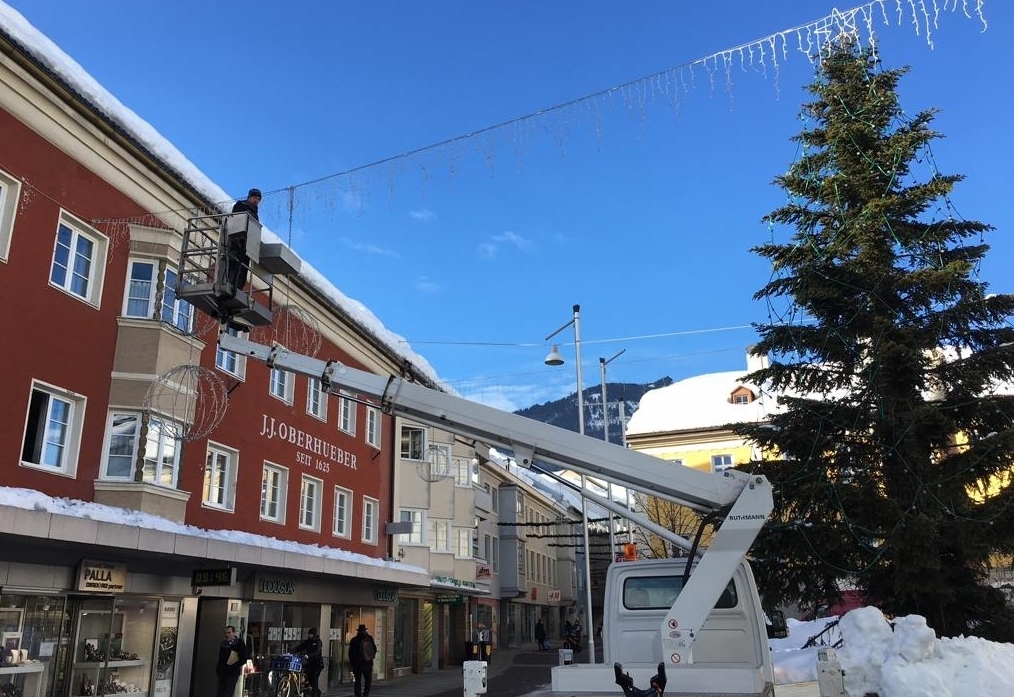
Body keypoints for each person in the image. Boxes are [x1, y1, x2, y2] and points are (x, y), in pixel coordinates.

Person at [226, 188, 261, 290]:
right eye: (255, 197)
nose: (256, 200)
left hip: (247, 244)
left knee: (243, 267)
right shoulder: (240, 205)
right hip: (237, 240)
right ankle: (230, 282)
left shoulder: (255, 214)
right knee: (234, 263)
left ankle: (238, 286)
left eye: (258, 199)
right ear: (249, 197)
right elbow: (236, 219)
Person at [215, 625, 249, 697]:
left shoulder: (239, 643)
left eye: (229, 633)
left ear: (233, 633)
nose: (227, 635)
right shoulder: (224, 644)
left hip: (232, 673)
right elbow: (220, 658)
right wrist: (218, 669)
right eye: (225, 633)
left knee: (228, 693)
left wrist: (233, 666)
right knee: (220, 693)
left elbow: (243, 659)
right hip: (223, 673)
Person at [292, 627, 324, 697]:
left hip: (317, 664)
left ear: (314, 634)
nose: (309, 635)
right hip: (309, 664)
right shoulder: (308, 642)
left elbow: (317, 652)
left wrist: (309, 655)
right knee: (310, 680)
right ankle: (317, 692)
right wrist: (292, 651)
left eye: (310, 634)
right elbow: (300, 647)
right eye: (309, 634)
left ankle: (315, 694)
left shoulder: (318, 642)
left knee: (314, 679)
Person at [348, 624, 377, 697]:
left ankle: (358, 695)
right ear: (365, 631)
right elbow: (374, 649)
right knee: (368, 680)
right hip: (367, 664)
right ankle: (365, 694)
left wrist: (352, 663)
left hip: (357, 664)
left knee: (357, 681)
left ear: (358, 631)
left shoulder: (354, 640)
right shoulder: (369, 638)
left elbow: (350, 653)